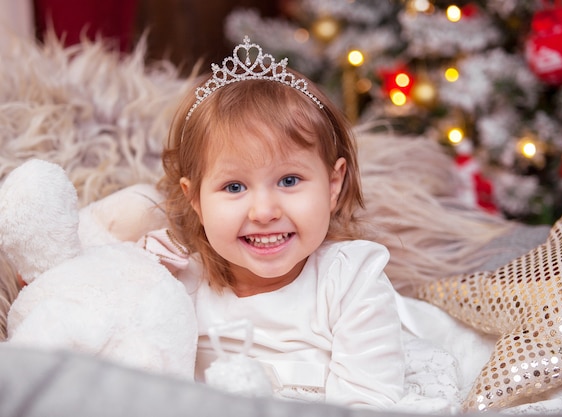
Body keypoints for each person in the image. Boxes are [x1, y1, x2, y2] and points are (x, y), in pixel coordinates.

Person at [153, 36, 410, 408]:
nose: (263, 211)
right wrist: (142, 274)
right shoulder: (182, 281)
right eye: (234, 186)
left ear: (333, 184)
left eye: (289, 181)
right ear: (195, 199)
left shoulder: (350, 281)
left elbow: (369, 401)